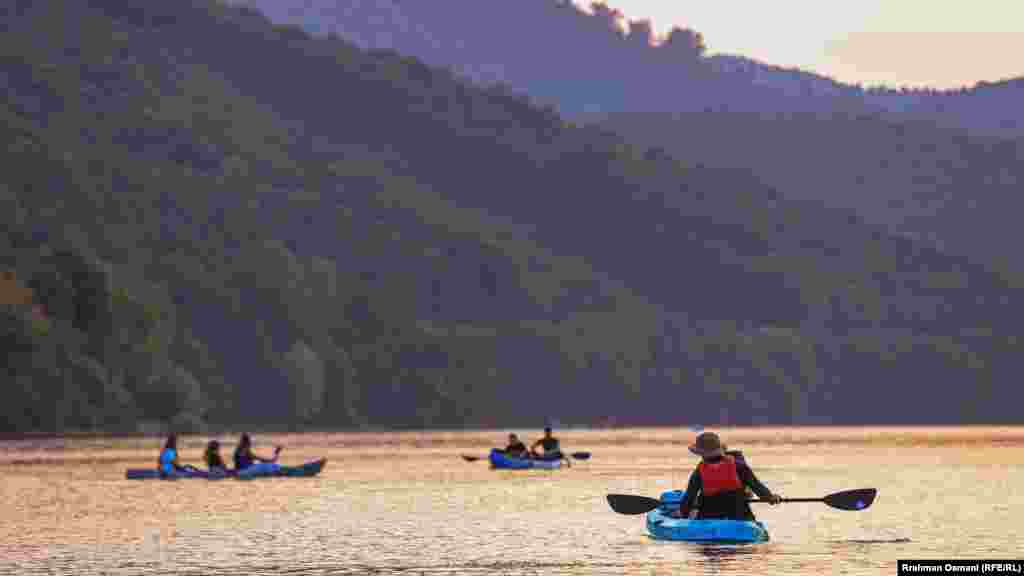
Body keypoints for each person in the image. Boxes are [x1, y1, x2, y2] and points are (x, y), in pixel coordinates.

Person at [673, 432, 781, 521]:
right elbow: (756, 486)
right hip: (739, 514)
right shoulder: (739, 465)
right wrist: (770, 497)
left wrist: (682, 513)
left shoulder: (699, 471)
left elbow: (690, 497)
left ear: (701, 453)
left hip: (708, 515)